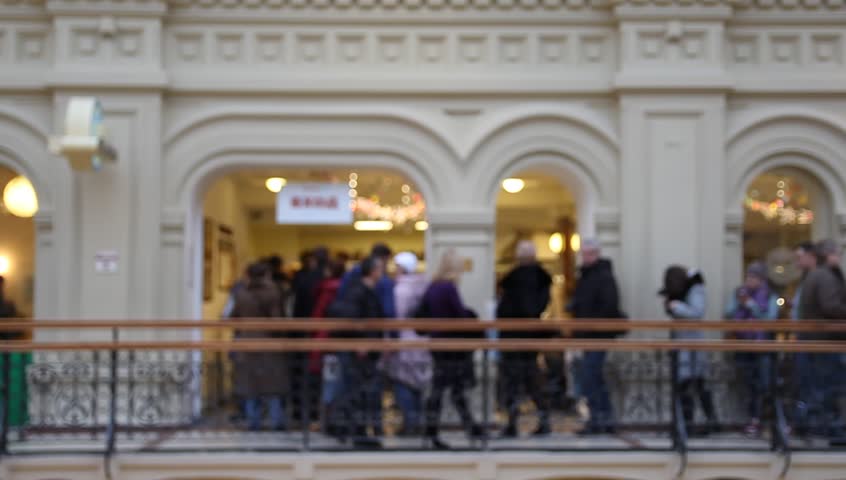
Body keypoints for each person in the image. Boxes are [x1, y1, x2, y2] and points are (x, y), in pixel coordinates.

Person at [422, 249, 483, 450]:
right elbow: (459, 316)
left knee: (447, 389)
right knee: (448, 390)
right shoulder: (448, 287)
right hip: (450, 345)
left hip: (437, 343)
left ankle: (469, 428)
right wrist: (472, 316)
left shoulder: (433, 286)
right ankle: (437, 431)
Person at [324, 256, 386, 448]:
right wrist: (361, 342)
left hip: (362, 349)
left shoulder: (362, 290)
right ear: (373, 271)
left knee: (354, 390)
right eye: (381, 268)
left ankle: (348, 429)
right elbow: (354, 320)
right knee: (355, 390)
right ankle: (353, 431)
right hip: (358, 351)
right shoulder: (360, 292)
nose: (383, 272)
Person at [496, 240, 553, 437]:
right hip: (529, 338)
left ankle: (512, 424)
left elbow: (510, 309)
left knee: (513, 382)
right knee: (531, 381)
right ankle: (543, 420)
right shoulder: (541, 279)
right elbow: (538, 307)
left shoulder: (515, 280)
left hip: (513, 338)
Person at [567, 238, 621, 435]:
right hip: (587, 335)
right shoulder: (585, 276)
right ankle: (601, 419)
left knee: (591, 377)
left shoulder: (604, 276)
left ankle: (601, 419)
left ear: (597, 254)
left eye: (589, 253)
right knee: (592, 378)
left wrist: (590, 322)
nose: (585, 257)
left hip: (598, 334)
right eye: (584, 253)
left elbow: (609, 305)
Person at [229, 262, 289, 431]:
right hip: (269, 343)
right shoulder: (274, 293)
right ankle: (276, 421)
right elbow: (278, 321)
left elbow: (233, 317)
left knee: (250, 385)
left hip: (247, 342)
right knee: (273, 385)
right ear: (266, 275)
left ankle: (252, 422)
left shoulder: (241, 294)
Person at [797, 239, 846, 438]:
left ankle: (816, 427)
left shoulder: (814, 276)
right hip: (826, 341)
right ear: (828, 255)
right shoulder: (825, 277)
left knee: (818, 387)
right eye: (837, 253)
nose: (839, 257)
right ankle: (830, 429)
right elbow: (831, 307)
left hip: (815, 340)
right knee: (830, 387)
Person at [661, 265, 718, 435]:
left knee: (694, 385)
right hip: (682, 345)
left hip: (692, 346)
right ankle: (687, 423)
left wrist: (676, 306)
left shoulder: (696, 289)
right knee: (688, 386)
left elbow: (697, 312)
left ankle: (700, 422)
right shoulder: (685, 290)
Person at [725, 262, 778, 437]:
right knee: (748, 384)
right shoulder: (738, 293)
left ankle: (765, 420)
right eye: (747, 276)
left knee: (764, 384)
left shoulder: (770, 295)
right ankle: (752, 420)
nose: (749, 280)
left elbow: (769, 319)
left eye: (753, 277)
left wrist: (751, 305)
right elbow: (728, 313)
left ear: (762, 279)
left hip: (763, 347)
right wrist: (740, 303)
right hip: (743, 344)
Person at [382, 251, 431, 436]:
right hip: (421, 342)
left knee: (402, 383)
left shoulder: (401, 290)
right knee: (417, 385)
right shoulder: (422, 286)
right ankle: (417, 423)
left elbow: (396, 318)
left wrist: (389, 341)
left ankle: (411, 424)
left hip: (403, 342)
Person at [310, 260, 346, 434]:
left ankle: (326, 422)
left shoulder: (325, 292)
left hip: (326, 343)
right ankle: (338, 420)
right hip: (342, 342)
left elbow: (317, 318)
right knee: (338, 383)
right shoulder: (347, 290)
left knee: (328, 383)